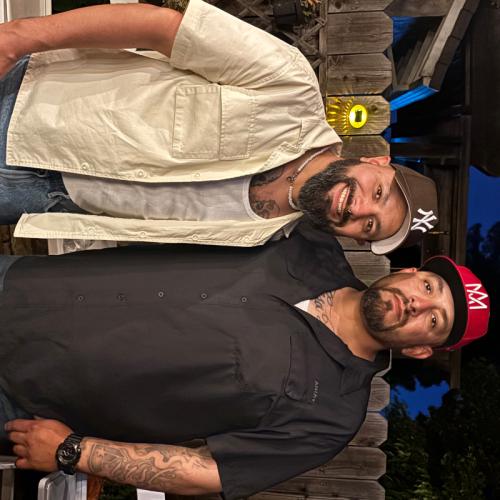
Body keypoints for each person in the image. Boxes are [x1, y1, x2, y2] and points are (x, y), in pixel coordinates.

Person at [1, 223, 489, 498]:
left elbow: (210, 471)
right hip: (25, 284)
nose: (417, 304)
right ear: (410, 271)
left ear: (421, 349)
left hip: (22, 397)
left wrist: (75, 452)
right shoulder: (308, 240)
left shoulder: (332, 416)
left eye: (435, 320)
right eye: (429, 287)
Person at [0, 0, 437, 254]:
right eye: (379, 193)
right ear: (376, 161)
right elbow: (160, 28)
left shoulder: (264, 242)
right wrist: (19, 37)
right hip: (29, 106)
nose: (359, 209)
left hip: (39, 201)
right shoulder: (292, 86)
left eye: (369, 227)